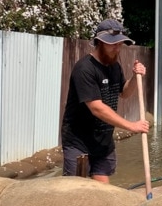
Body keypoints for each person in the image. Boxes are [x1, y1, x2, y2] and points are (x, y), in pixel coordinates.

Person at [61, 18, 150, 182]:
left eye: (120, 44)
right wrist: (131, 126)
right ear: (100, 42)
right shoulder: (85, 69)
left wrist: (135, 77)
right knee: (75, 193)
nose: (117, 48)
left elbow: (124, 92)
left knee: (103, 195)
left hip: (103, 142)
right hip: (79, 142)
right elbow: (96, 108)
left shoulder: (114, 66)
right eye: (113, 44)